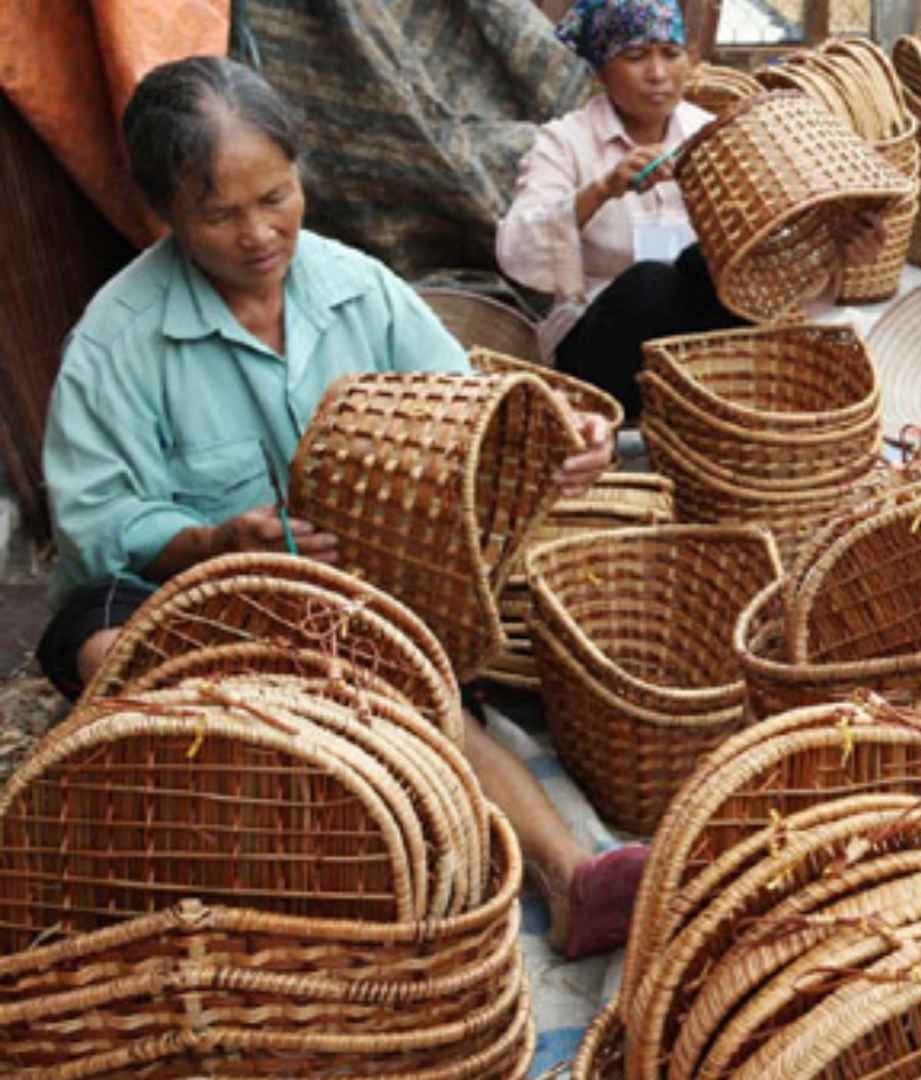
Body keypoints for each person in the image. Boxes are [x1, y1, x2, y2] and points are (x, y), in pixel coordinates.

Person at [36, 55, 642, 960]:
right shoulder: (119, 338)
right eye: (221, 213)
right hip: (193, 603)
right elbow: (95, 528)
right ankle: (263, 814)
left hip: (346, 591)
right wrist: (209, 541)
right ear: (162, 212)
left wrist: (556, 447)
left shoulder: (358, 287)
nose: (259, 233)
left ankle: (568, 876)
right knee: (102, 647)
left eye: (276, 196)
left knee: (396, 672)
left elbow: (466, 414)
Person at [496, 0, 883, 421]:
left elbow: (770, 246)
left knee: (710, 266)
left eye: (670, 53)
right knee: (650, 283)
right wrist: (602, 189)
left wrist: (838, 249)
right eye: (636, 57)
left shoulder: (711, 134)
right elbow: (518, 244)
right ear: (601, 69)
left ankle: (710, 397)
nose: (658, 74)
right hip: (603, 350)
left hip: (699, 346)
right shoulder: (565, 141)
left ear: (690, 58)